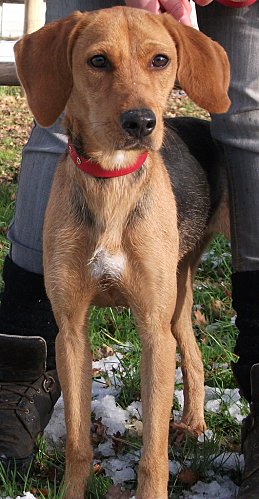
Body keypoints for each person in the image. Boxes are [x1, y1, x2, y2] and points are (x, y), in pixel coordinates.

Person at [0, 0, 258, 497]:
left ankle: (156, 476)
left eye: (158, 62)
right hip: (76, 194)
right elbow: (74, 335)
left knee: (250, 120)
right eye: (101, 63)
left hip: (154, 200)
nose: (135, 103)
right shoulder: (61, 51)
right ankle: (22, 379)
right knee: (69, 326)